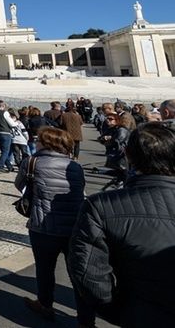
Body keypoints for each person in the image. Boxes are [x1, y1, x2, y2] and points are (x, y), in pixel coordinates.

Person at [68, 123, 175, 325]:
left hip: (140, 313)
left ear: (127, 154)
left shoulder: (101, 205)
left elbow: (87, 272)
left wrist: (117, 311)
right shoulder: (101, 206)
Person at [13, 127, 92, 324]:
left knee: (45, 269)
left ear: (46, 143)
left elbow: (19, 185)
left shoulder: (32, 162)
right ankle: (86, 318)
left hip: (43, 225)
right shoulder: (75, 166)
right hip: (73, 226)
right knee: (77, 272)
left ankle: (45, 305)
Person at [0, 100, 15, 172]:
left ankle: (9, 166)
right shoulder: (5, 113)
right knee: (5, 151)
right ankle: (0, 166)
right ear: (3, 106)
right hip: (5, 133)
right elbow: (12, 124)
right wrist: (16, 123)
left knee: (4, 151)